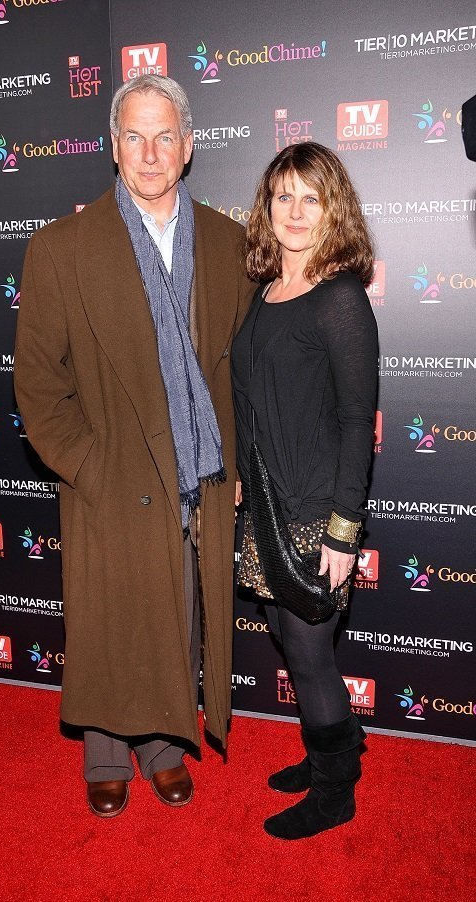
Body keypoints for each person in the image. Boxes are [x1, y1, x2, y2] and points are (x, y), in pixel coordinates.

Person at [14, 75, 254, 818]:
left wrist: (235, 464)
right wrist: (89, 466)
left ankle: (163, 747)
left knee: (179, 612)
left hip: (200, 471)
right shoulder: (61, 249)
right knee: (109, 615)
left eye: (164, 136)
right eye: (133, 136)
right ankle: (106, 754)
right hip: (111, 471)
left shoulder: (226, 240)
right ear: (112, 147)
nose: (149, 154)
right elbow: (37, 387)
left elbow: (243, 367)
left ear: (188, 146)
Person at [231, 142, 378, 840]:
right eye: (282, 195)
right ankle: (335, 748)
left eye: (309, 198)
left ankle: (334, 792)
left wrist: (344, 530)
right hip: (267, 498)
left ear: (332, 209)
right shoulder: (266, 291)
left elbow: (357, 420)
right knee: (288, 637)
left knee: (311, 653)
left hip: (317, 507)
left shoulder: (340, 297)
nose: (294, 211)